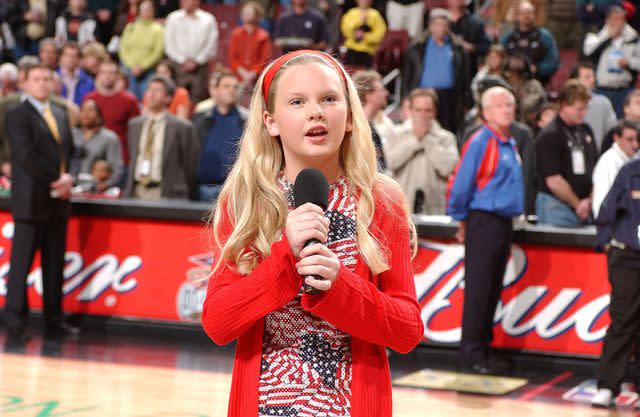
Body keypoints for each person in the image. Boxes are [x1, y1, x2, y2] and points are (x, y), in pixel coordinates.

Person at [201, 50, 424, 416]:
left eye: (329, 99)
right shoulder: (245, 201)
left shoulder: (381, 201)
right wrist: (285, 260)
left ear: (350, 118)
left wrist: (340, 287)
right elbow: (218, 323)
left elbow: (407, 330)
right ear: (271, 122)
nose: (315, 111)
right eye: (297, 101)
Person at [447, 86, 524, 374]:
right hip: (484, 221)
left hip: (503, 222)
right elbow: (462, 181)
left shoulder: (510, 142)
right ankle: (470, 355)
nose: (508, 109)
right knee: (479, 289)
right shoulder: (481, 141)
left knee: (492, 289)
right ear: (486, 111)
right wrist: (461, 219)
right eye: (501, 104)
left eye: (510, 104)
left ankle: (484, 350)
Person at [4, 64, 77, 346]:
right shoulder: (17, 114)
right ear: (24, 83)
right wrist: (58, 179)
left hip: (59, 201)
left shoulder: (59, 113)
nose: (43, 83)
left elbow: (68, 152)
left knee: (54, 263)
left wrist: (68, 178)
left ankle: (53, 319)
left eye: (48, 79)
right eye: (37, 79)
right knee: (21, 265)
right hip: (31, 199)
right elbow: (25, 156)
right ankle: (15, 321)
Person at [592, 157, 640, 408]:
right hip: (628, 255)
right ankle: (607, 386)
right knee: (622, 320)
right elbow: (608, 210)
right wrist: (605, 241)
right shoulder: (630, 171)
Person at [385, 88, 459, 214]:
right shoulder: (395, 133)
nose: (422, 115)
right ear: (411, 111)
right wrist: (415, 140)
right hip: (400, 206)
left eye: (427, 110)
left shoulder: (446, 137)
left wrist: (427, 139)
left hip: (434, 209)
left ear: (434, 112)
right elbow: (391, 162)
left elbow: (448, 168)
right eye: (418, 110)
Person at [125, 75, 200, 200]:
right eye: (149, 89)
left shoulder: (182, 127)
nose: (152, 94)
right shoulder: (134, 125)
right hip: (137, 191)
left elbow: (190, 166)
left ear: (168, 98)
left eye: (158, 90)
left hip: (166, 193)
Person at [535, 80, 598, 226]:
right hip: (556, 207)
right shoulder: (550, 135)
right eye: (579, 109)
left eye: (585, 108)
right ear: (564, 105)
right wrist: (578, 204)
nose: (584, 113)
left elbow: (596, 169)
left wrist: (589, 200)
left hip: (584, 207)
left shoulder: (585, 130)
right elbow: (553, 181)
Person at [401, 8, 470, 134]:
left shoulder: (458, 49)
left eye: (444, 25)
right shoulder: (417, 48)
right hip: (422, 96)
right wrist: (405, 99)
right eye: (437, 24)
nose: (441, 28)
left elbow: (465, 78)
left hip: (450, 99)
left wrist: (466, 102)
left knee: (447, 133)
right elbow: (407, 76)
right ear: (431, 26)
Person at [193, 70, 245, 202]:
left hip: (235, 191)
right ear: (216, 90)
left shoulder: (246, 120)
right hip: (204, 189)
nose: (232, 90)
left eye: (235, 87)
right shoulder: (201, 118)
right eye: (226, 86)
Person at [584, 5, 640, 118]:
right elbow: (588, 52)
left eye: (621, 19)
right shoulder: (597, 36)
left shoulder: (633, 39)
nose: (619, 22)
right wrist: (609, 37)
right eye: (615, 18)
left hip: (624, 90)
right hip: (601, 90)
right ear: (607, 20)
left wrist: (629, 63)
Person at [84, 60, 140, 167]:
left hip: (121, 158)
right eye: (104, 72)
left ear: (117, 76)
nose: (107, 76)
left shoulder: (129, 100)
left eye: (111, 73)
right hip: (93, 159)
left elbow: (135, 132)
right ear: (98, 75)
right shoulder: (90, 99)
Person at [164, 0, 218, 103]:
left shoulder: (208, 19)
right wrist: (182, 61)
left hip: (200, 67)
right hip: (176, 66)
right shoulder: (172, 18)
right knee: (176, 98)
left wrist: (196, 61)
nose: (184, 2)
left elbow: (211, 45)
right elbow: (169, 45)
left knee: (198, 100)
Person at [500, 1, 560, 84]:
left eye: (529, 12)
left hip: (537, 80)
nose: (526, 16)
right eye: (523, 13)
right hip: (511, 80)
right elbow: (500, 58)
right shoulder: (508, 38)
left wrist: (537, 69)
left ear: (534, 15)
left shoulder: (545, 36)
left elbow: (553, 62)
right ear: (517, 16)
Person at [71, 98, 124, 190]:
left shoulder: (110, 138)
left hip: (97, 190)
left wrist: (107, 184)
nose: (85, 114)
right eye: (83, 110)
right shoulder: (71, 135)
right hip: (72, 187)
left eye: (90, 110)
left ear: (99, 116)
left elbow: (117, 168)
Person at [591, 120, 639, 219]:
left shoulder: (636, 158)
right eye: (630, 140)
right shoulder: (608, 162)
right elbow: (603, 201)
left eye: (637, 140)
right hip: (615, 224)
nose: (635, 145)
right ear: (617, 138)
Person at [118, 0, 165, 101]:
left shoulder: (158, 29)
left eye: (148, 8)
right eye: (143, 9)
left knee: (147, 98)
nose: (146, 11)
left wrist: (142, 66)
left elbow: (158, 51)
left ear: (153, 11)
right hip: (129, 69)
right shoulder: (130, 27)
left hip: (148, 70)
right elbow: (123, 48)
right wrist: (131, 66)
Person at [571, 60, 617, 152]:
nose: (593, 80)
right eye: (587, 77)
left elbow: (612, 132)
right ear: (575, 81)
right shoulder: (567, 105)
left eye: (593, 76)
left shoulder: (603, 103)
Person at [228, 2, 272, 88]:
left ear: (257, 15)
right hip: (238, 77)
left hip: (256, 78)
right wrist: (243, 73)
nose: (247, 15)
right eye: (244, 13)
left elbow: (264, 58)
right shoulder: (236, 34)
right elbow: (233, 57)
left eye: (250, 13)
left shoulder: (263, 35)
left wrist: (253, 74)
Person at [340, 0, 387, 68]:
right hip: (352, 49)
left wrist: (365, 36)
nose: (363, 1)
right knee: (349, 70)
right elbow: (345, 29)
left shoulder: (375, 15)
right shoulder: (351, 13)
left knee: (365, 74)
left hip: (367, 51)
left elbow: (380, 34)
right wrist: (359, 22)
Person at [58, 42, 95, 106]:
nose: (71, 59)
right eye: (67, 55)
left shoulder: (89, 82)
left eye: (74, 56)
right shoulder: (52, 77)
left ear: (79, 59)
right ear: (61, 57)